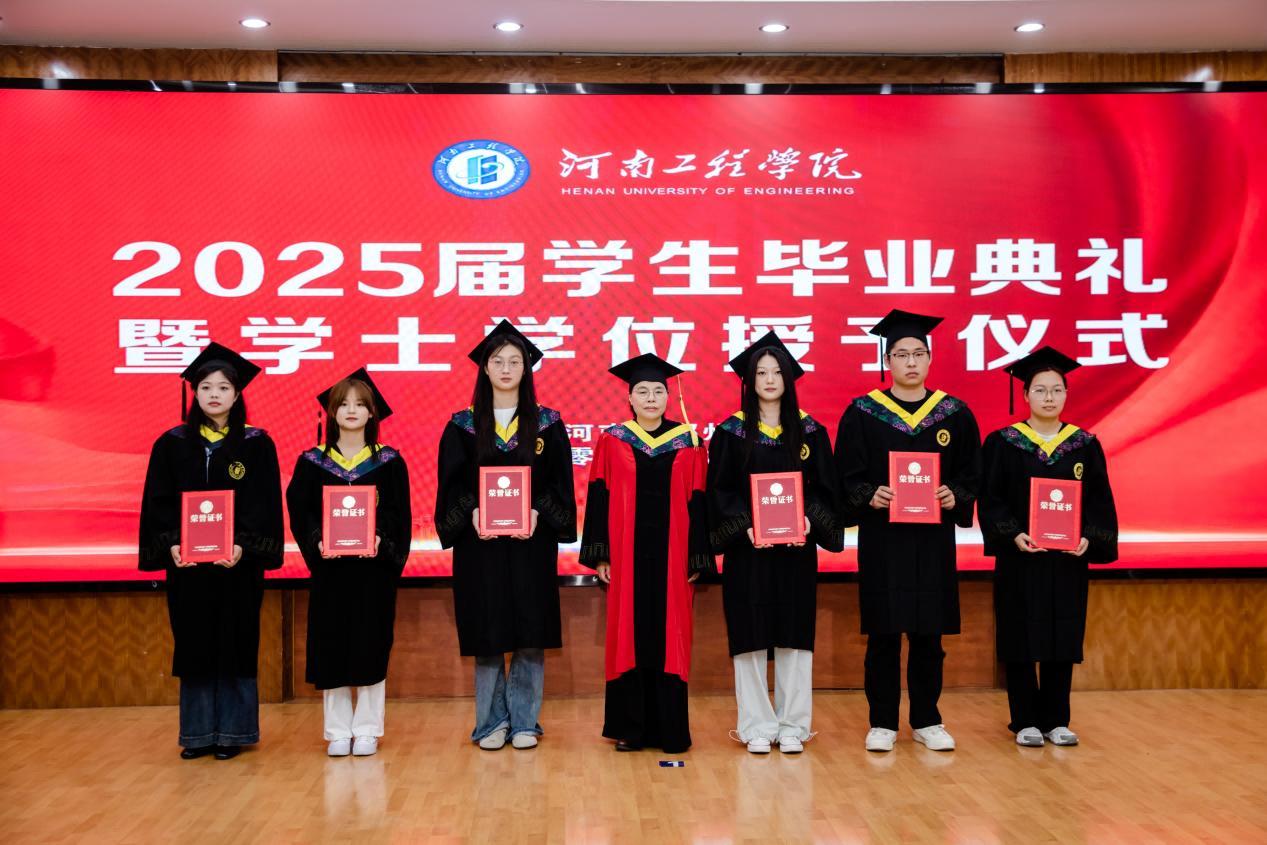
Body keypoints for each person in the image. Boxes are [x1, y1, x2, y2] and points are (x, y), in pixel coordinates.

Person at [834, 309, 981, 753]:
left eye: (918, 353)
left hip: (932, 540)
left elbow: (973, 473)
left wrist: (955, 494)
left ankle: (927, 719)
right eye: (901, 354)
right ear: (888, 361)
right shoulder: (863, 413)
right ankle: (882, 722)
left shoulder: (954, 414)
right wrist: (868, 495)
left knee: (928, 634)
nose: (911, 362)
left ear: (930, 358)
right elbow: (845, 474)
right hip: (884, 539)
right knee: (883, 633)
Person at [434, 321, 577, 750]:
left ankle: (526, 722)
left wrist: (537, 511)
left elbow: (560, 484)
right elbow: (450, 486)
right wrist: (473, 511)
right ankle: (491, 723)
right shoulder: (462, 425)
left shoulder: (548, 424)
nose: (507, 369)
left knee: (531, 632)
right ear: (485, 368)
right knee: (488, 631)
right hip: (480, 546)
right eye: (498, 361)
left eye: (516, 361)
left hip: (532, 543)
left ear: (527, 369)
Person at [138, 342, 283, 760]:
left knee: (236, 643)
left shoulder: (256, 445)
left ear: (237, 395)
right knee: (195, 643)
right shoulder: (172, 444)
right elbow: (158, 503)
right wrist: (173, 544)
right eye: (205, 387)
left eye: (223, 387)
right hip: (189, 569)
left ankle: (234, 734)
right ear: (195, 393)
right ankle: (198, 734)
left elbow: (264, 505)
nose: (214, 394)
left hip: (237, 567)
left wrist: (242, 546)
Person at [706, 332, 844, 754]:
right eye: (761, 373)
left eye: (776, 372)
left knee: (794, 635)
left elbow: (826, 491)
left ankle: (793, 726)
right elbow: (719, 491)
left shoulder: (810, 432)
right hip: (748, 553)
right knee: (749, 637)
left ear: (788, 378)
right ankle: (756, 726)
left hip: (796, 553)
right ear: (749, 380)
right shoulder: (730, 433)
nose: (769, 379)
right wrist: (746, 525)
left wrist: (808, 519)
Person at [980, 346, 1119, 747]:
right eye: (1040, 390)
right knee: (1020, 635)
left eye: (1057, 390)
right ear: (1025, 395)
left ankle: (1057, 719)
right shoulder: (1004, 443)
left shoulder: (1084, 445)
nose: (1048, 397)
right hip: (1021, 558)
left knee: (1062, 634)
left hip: (1067, 560)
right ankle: (1024, 720)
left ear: (1066, 395)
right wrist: (1012, 534)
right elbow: (990, 498)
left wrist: (1089, 536)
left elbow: (1099, 500)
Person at [579, 353, 715, 753]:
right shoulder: (612, 440)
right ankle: (632, 729)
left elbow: (700, 501)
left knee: (672, 637)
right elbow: (599, 497)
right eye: (643, 391)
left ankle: (670, 730)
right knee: (628, 637)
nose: (651, 398)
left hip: (674, 559)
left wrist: (697, 556)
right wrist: (601, 555)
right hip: (626, 557)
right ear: (630, 398)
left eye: (658, 391)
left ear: (669, 397)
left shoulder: (690, 442)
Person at [286, 368, 412, 757]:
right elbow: (301, 512)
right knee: (332, 643)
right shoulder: (312, 462)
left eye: (360, 404)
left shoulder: (389, 462)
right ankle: (338, 730)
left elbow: (399, 514)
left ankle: (369, 728)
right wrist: (317, 541)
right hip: (331, 570)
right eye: (343, 404)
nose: (352, 410)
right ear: (332, 412)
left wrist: (381, 538)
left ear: (373, 412)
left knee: (372, 642)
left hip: (373, 571)